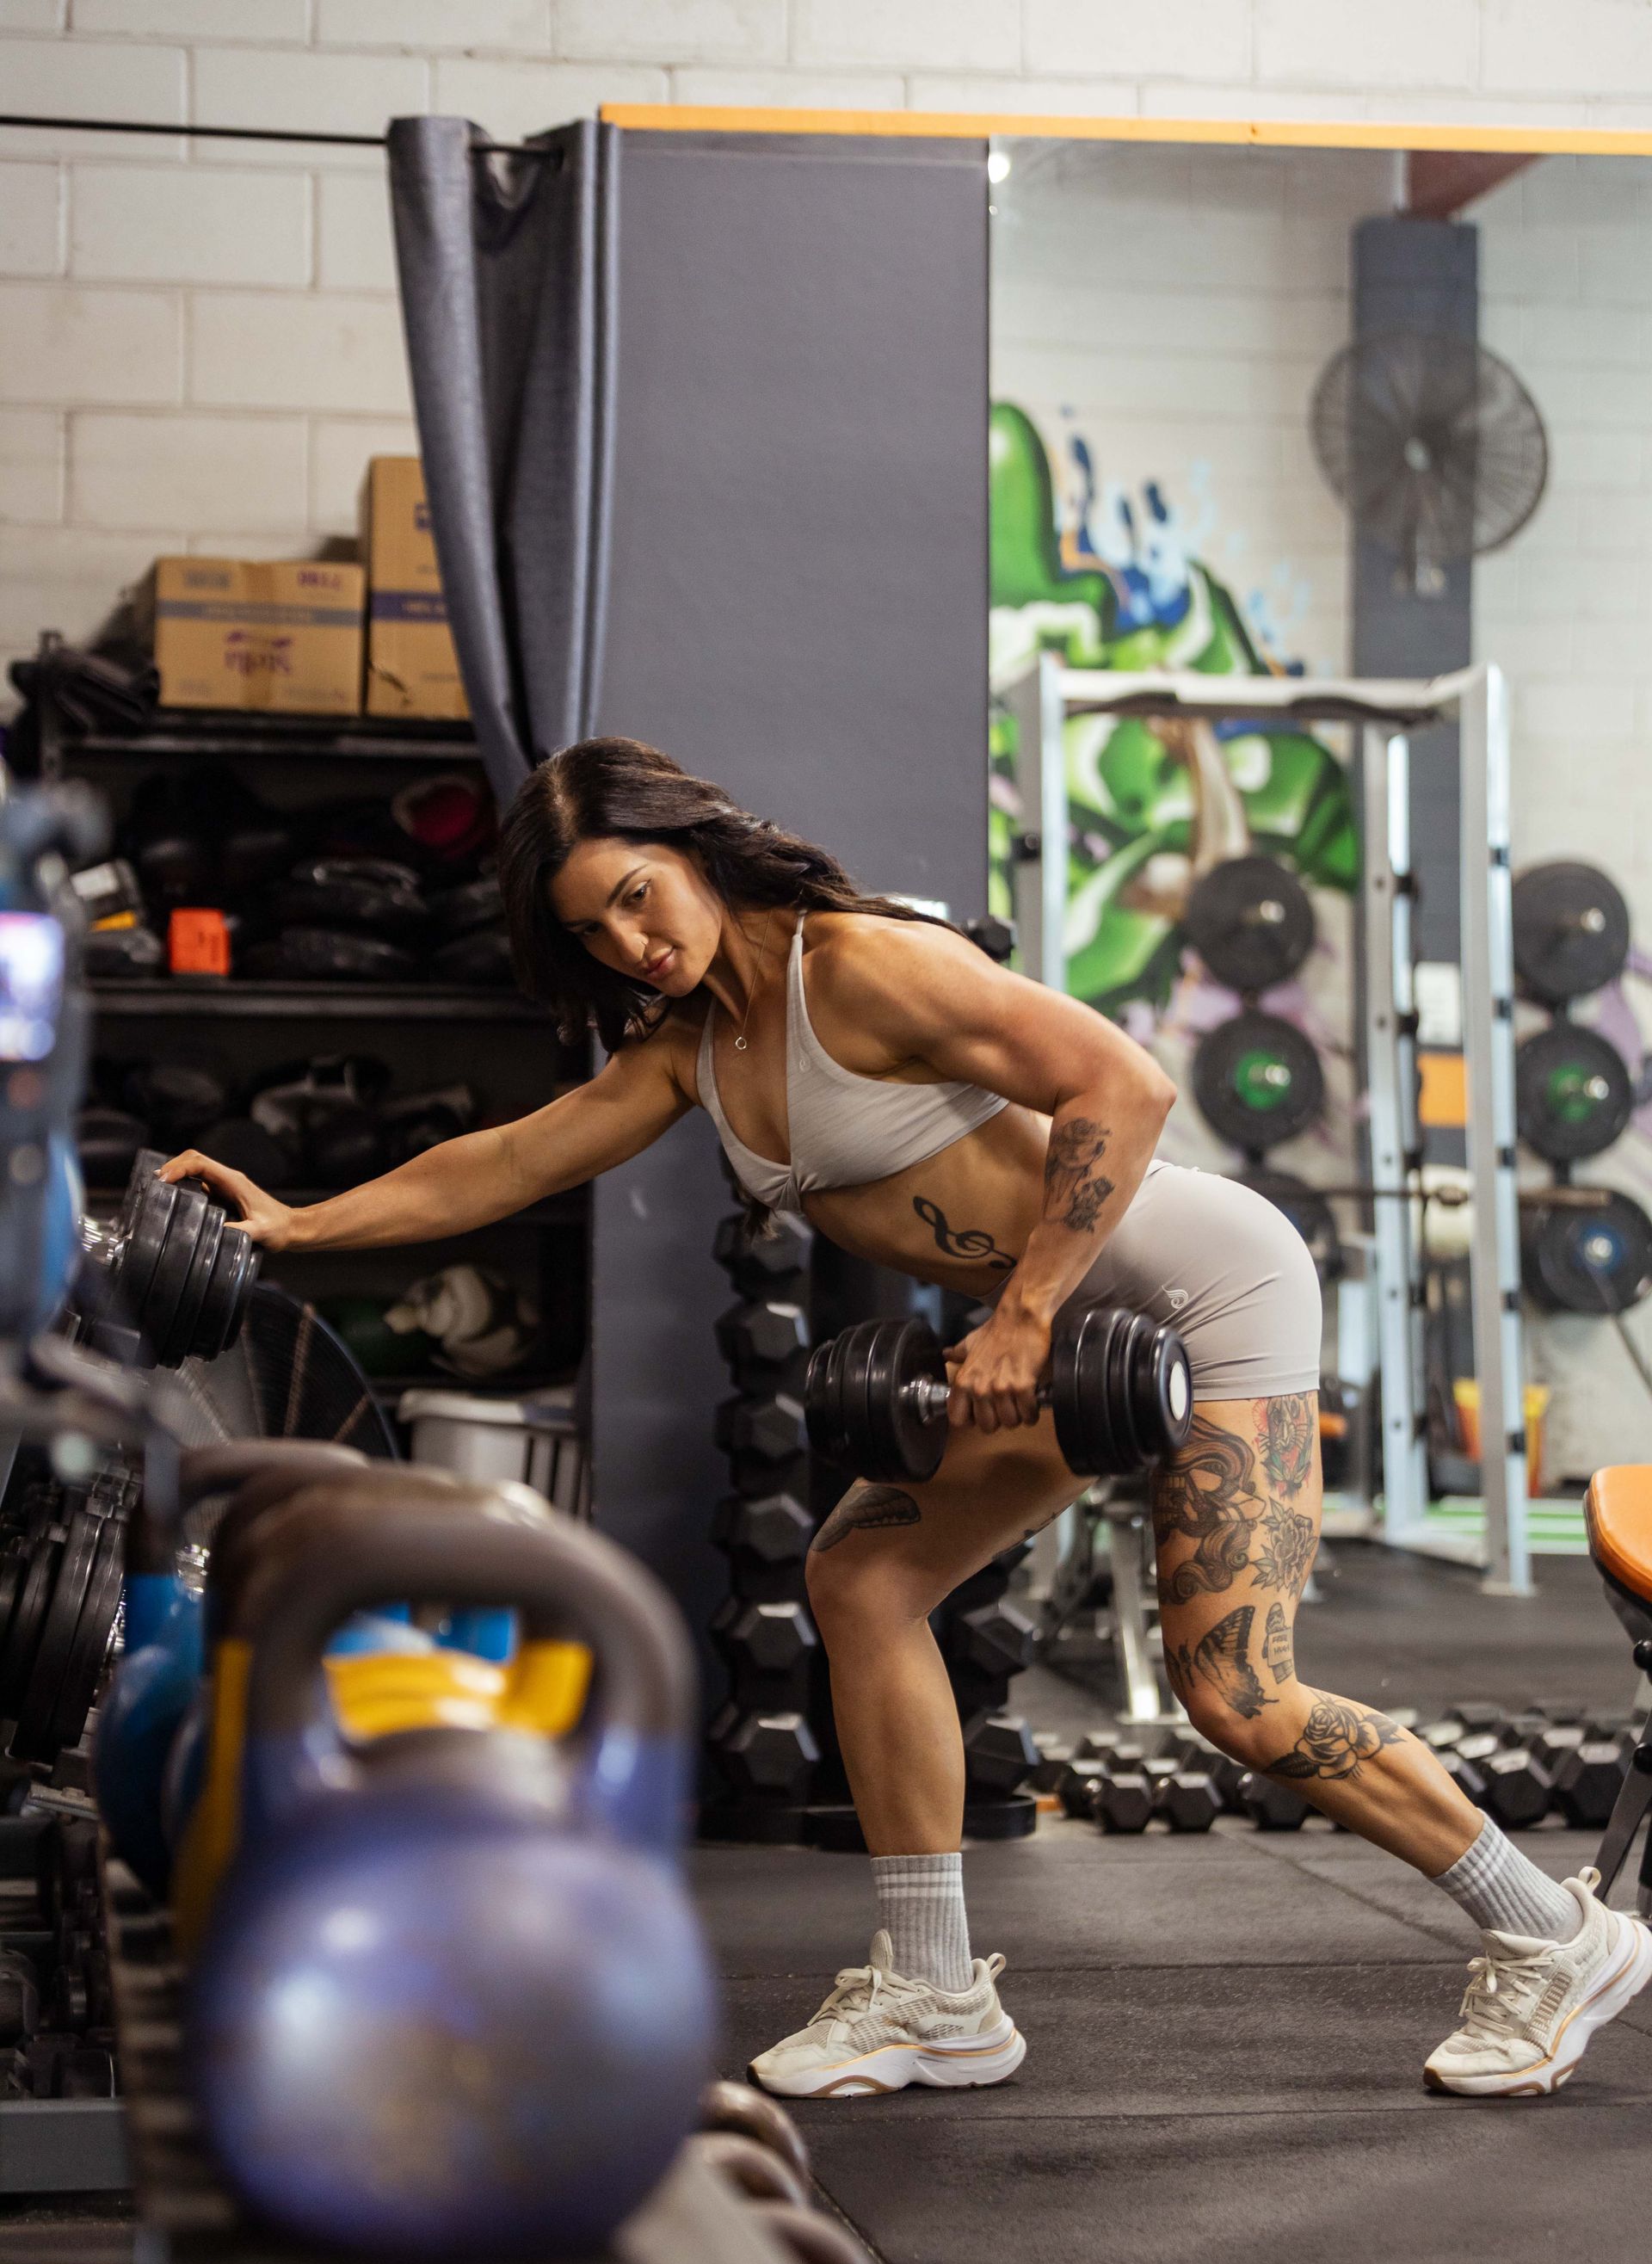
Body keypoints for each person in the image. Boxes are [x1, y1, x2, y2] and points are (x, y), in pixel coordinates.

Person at [163, 737, 1652, 2102]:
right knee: (863, 1578)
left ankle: (1553, 1935)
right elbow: (504, 1162)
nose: (633, 941)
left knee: (1237, 1692)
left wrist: (1022, 1312)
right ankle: (937, 1992)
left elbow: (1121, 1087)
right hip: (1072, 1332)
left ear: (691, 846)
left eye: (637, 896)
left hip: (1205, 1292)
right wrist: (293, 1226)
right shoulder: (694, 1048)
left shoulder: (858, 967)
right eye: (594, 931)